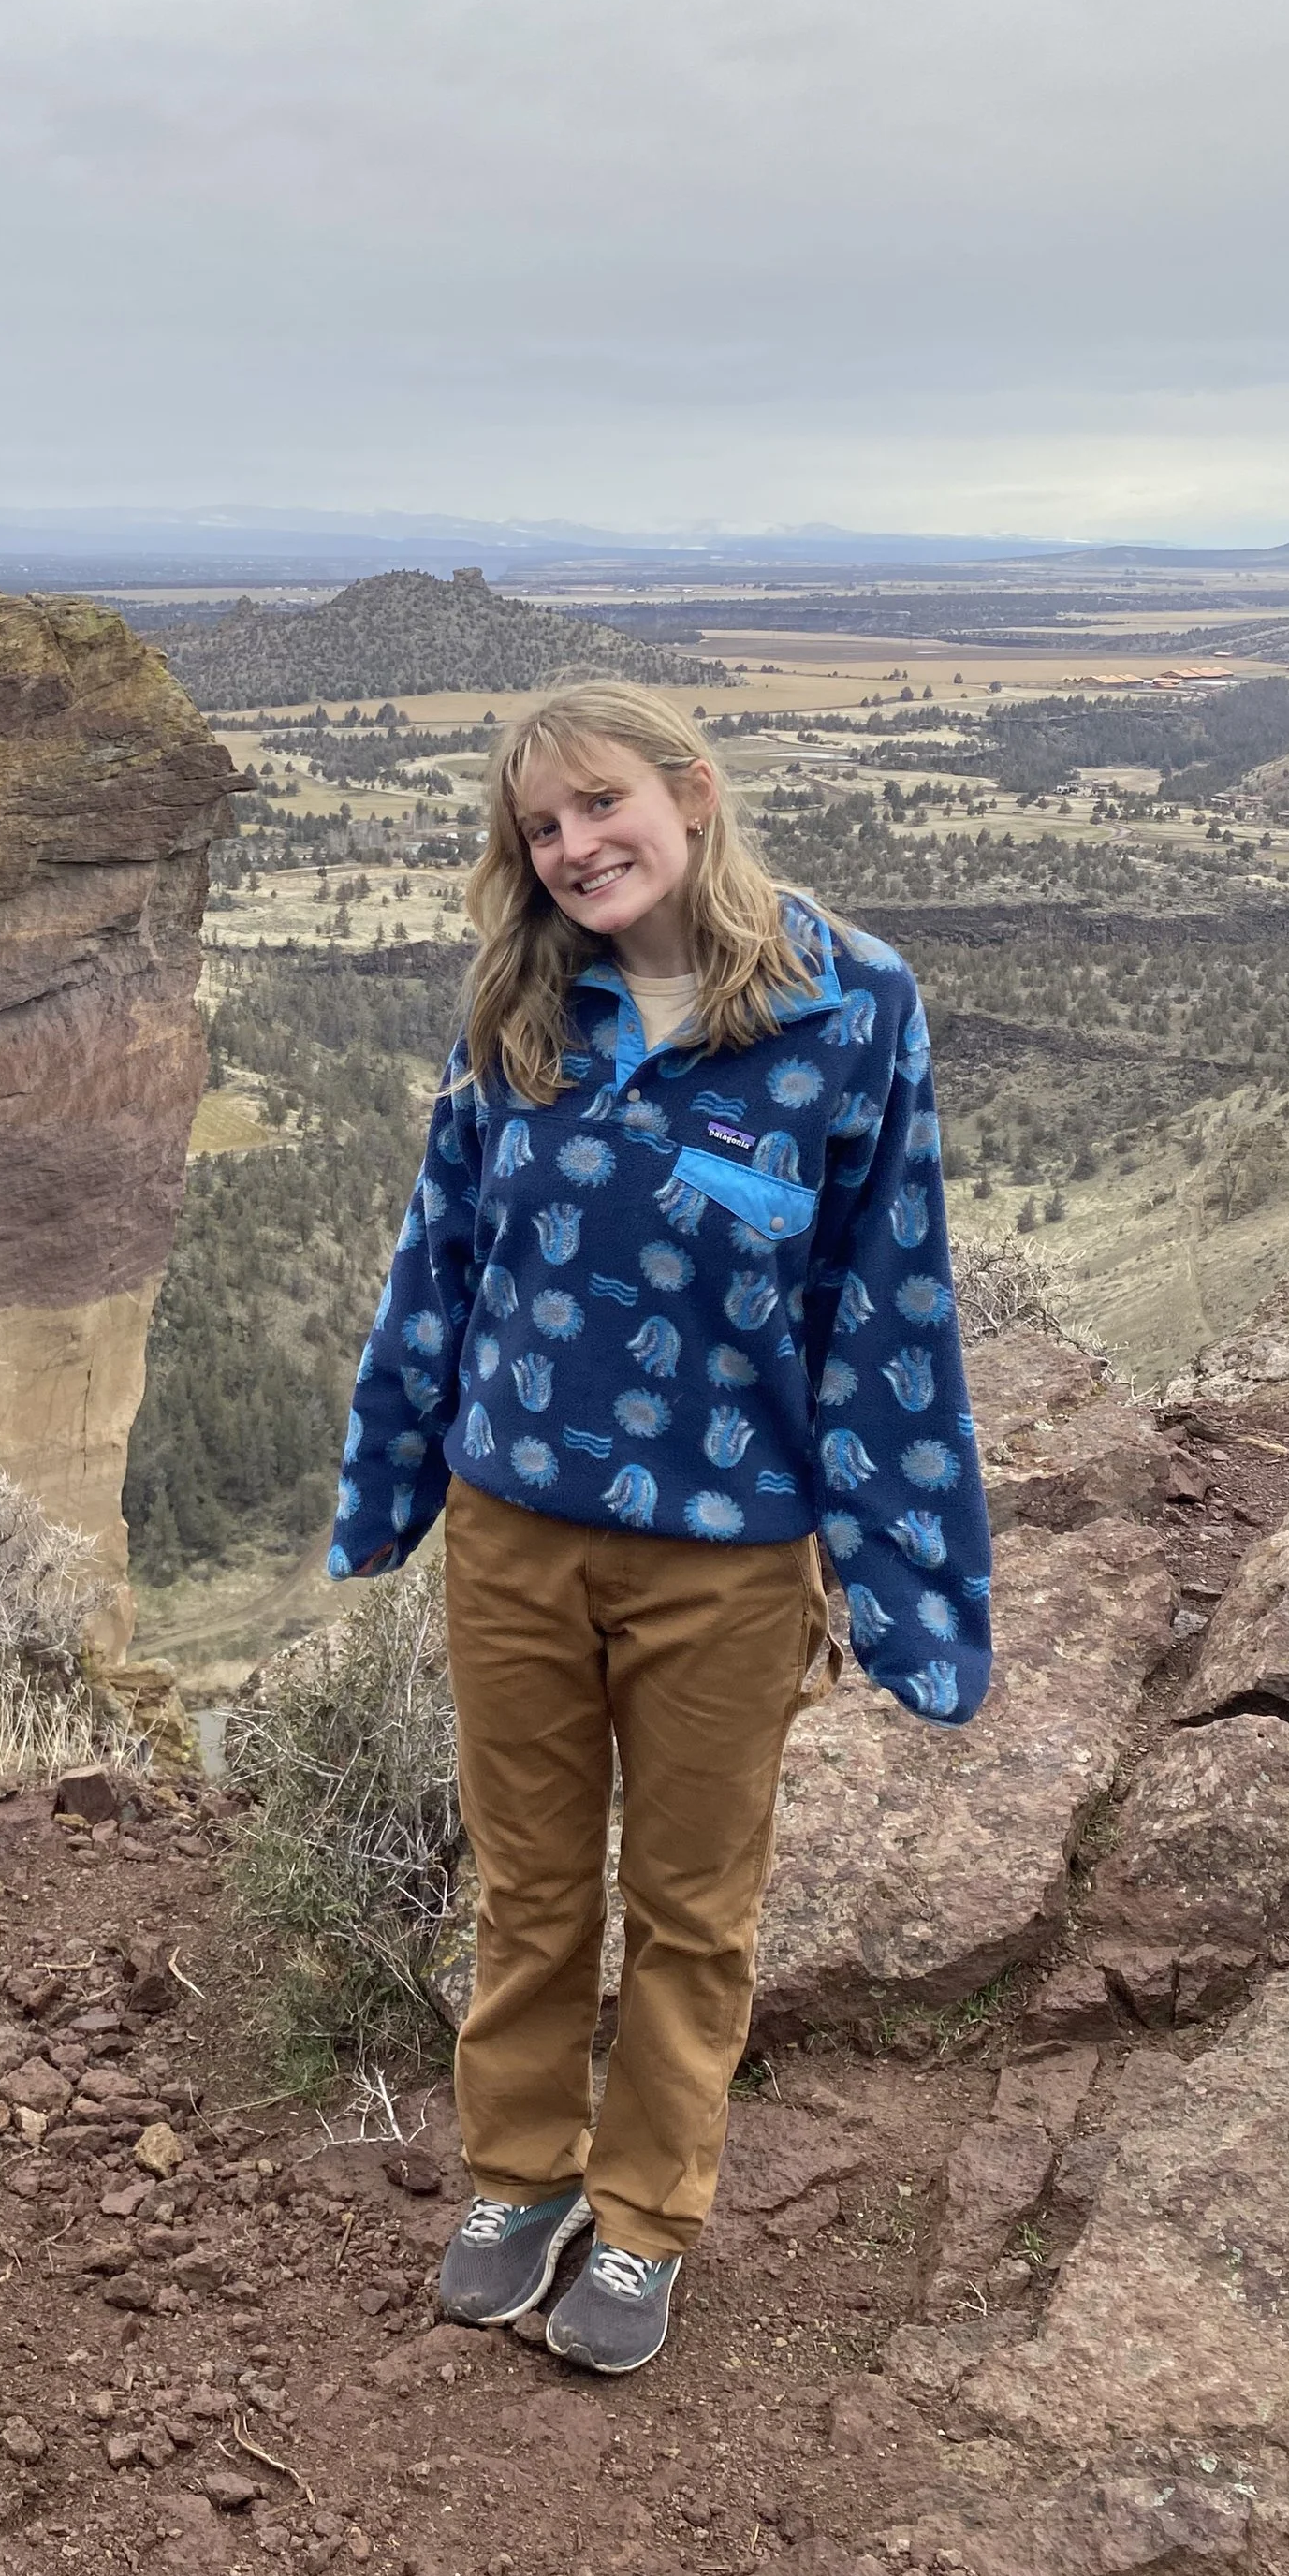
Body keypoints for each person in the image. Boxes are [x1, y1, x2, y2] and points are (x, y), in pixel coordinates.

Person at [328, 678, 991, 2375]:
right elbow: (443, 1260)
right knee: (532, 1887)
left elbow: (885, 1298)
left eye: (598, 805)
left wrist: (912, 1584)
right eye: (538, 829)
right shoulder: (520, 1003)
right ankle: (520, 2178)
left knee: (695, 1908)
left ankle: (643, 2220)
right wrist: (389, 1486)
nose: (571, 849)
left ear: (689, 793)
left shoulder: (854, 1003)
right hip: (513, 1530)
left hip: (728, 1556)